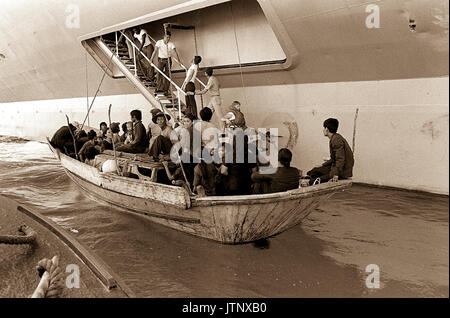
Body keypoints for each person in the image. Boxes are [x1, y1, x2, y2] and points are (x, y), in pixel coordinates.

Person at [307, 118, 354, 183]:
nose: (323, 130)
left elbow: (340, 158)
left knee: (313, 180)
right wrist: (323, 165)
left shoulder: (336, 140)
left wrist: (335, 174)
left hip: (342, 171)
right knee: (314, 171)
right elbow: (333, 158)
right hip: (338, 168)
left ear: (327, 129)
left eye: (324, 128)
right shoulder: (335, 137)